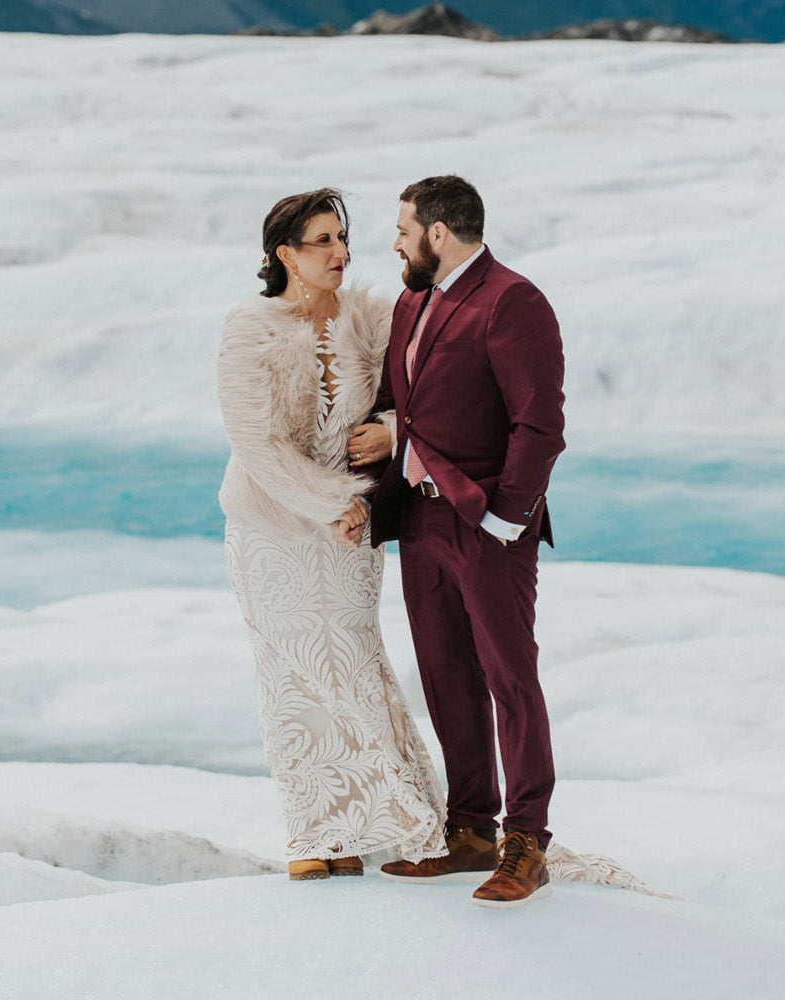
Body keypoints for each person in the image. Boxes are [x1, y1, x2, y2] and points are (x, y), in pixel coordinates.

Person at [217, 188, 447, 881]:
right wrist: (330, 502)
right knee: (291, 675)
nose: (341, 252)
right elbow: (254, 441)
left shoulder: (373, 318)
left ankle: (383, 816)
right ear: (285, 253)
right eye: (323, 241)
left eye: (343, 238)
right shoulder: (247, 327)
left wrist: (395, 436)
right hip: (272, 527)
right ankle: (315, 834)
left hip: (352, 529)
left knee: (352, 659)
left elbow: (429, 393)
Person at [366, 175, 566, 907]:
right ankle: (470, 831)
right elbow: (407, 406)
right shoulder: (411, 301)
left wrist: (505, 519)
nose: (395, 241)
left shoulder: (514, 301)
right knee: (447, 676)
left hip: (486, 527)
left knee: (510, 680)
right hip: (419, 521)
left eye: (402, 228)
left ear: (438, 233)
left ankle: (527, 842)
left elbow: (540, 425)